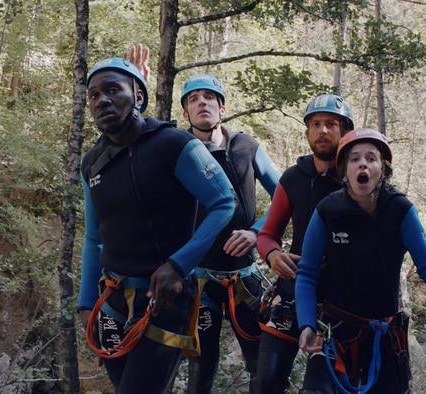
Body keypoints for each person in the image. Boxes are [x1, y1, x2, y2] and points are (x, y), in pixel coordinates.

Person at [77, 57, 236, 394]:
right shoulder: (92, 163)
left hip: (165, 299)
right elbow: (94, 238)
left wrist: (178, 266)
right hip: (112, 301)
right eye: (93, 95)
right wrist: (86, 301)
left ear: (138, 95)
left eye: (112, 90)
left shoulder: (173, 144)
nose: (101, 100)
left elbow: (223, 202)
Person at [295, 128, 426, 393]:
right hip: (337, 330)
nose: (362, 164)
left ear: (383, 168)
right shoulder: (328, 210)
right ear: (344, 169)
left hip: (385, 333)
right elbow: (307, 273)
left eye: (371, 158)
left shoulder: (400, 209)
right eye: (354, 159)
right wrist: (307, 324)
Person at [179, 74, 283, 393]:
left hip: (244, 275)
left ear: (221, 108)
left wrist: (257, 231)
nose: (202, 103)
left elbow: (284, 197)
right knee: (201, 365)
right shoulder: (176, 150)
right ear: (186, 113)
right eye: (193, 99)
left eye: (209, 97)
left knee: (260, 364)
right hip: (200, 279)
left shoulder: (246, 147)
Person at [255, 94, 354, 393]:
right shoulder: (293, 178)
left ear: (345, 132)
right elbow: (267, 234)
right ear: (307, 132)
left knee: (321, 388)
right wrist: (272, 255)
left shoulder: (359, 180)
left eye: (331, 124)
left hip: (341, 301)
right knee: (265, 382)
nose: (323, 131)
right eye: (316, 124)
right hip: (292, 292)